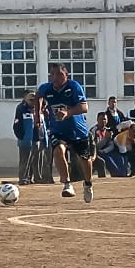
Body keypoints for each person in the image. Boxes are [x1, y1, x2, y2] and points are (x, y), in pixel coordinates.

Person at [35, 62, 94, 201]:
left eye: (59, 74)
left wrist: (68, 113)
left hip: (77, 130)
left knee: (84, 159)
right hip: (58, 130)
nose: (55, 77)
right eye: (52, 74)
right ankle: (67, 184)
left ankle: (88, 183)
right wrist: (38, 115)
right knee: (57, 151)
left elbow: (84, 107)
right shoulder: (46, 88)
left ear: (66, 75)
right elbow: (38, 96)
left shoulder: (74, 87)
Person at [12, 90, 45, 185]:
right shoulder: (21, 109)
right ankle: (23, 178)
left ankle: (34, 178)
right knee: (25, 160)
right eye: (31, 100)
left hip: (36, 138)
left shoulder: (38, 109)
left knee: (35, 160)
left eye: (34, 100)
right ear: (26, 100)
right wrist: (21, 137)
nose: (33, 102)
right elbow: (16, 125)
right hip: (25, 140)